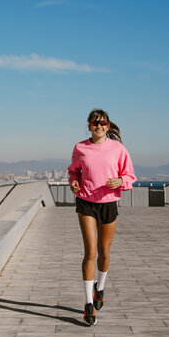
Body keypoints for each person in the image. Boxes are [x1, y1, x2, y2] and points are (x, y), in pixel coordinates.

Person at [68, 109, 136, 325]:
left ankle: (101, 287)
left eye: (103, 123)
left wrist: (121, 182)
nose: (99, 126)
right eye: (95, 123)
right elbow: (73, 172)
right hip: (86, 202)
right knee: (90, 253)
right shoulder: (80, 148)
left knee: (104, 253)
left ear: (108, 126)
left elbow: (130, 175)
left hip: (108, 204)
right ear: (89, 126)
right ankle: (88, 304)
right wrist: (73, 182)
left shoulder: (118, 148)